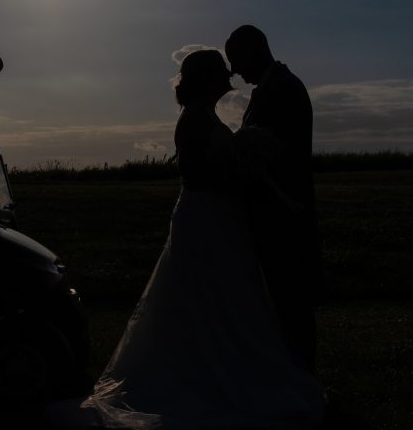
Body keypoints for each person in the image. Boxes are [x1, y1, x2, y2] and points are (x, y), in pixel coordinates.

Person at [47, 49, 323, 429]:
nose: (230, 73)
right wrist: (240, 169)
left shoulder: (203, 115)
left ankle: (227, 367)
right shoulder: (194, 119)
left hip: (217, 221)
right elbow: (196, 177)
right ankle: (207, 377)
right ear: (207, 79)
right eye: (221, 70)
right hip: (205, 221)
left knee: (222, 297)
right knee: (208, 295)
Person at [225, 25, 322, 373]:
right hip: (271, 213)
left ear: (253, 52)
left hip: (283, 213)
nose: (235, 70)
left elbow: (275, 153)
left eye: (236, 60)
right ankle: (290, 374)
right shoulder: (271, 87)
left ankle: (300, 378)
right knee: (280, 300)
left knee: (290, 299)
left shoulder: (283, 89)